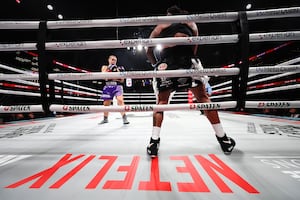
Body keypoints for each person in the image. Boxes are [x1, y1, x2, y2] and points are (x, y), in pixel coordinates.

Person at [145, 5, 235, 157]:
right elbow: (195, 45)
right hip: (188, 61)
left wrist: (157, 64)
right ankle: (223, 139)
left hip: (167, 64)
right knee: (204, 99)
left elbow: (148, 50)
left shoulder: (161, 25)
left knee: (161, 103)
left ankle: (154, 142)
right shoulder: (191, 22)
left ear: (168, 14)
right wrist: (189, 60)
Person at [99, 54, 130, 125]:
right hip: (107, 86)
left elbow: (122, 80)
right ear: (109, 60)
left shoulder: (120, 68)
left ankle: (124, 118)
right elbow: (105, 77)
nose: (114, 61)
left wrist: (112, 75)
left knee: (120, 100)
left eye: (115, 60)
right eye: (112, 59)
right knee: (106, 103)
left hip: (117, 86)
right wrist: (115, 76)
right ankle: (105, 119)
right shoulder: (104, 67)